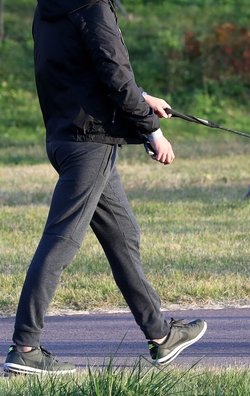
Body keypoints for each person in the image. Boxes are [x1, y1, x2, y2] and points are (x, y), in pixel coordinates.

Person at [3, 0, 206, 375]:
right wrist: (151, 130)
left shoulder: (51, 7)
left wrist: (142, 98)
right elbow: (114, 73)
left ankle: (161, 336)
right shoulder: (93, 7)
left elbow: (81, 70)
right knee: (60, 241)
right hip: (90, 143)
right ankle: (25, 347)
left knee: (123, 235)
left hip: (65, 136)